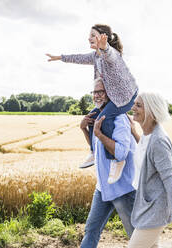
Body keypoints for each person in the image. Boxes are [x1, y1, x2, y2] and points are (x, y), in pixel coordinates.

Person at [46, 24, 138, 184]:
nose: (89, 38)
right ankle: (93, 150)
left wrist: (105, 47)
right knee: (91, 117)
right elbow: (79, 58)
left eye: (92, 35)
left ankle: (117, 159)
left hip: (126, 98)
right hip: (113, 97)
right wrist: (60, 57)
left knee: (103, 119)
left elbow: (110, 55)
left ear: (103, 38)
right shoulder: (95, 56)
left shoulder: (111, 54)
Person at [127, 92, 172, 248]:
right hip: (146, 207)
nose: (133, 108)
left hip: (154, 211)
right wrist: (134, 132)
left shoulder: (159, 141)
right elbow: (147, 155)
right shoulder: (147, 135)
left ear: (151, 111)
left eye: (138, 105)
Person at [79, 78, 137, 248]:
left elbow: (120, 153)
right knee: (91, 230)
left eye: (101, 92)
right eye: (94, 92)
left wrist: (99, 134)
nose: (96, 95)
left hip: (123, 189)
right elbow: (97, 150)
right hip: (103, 188)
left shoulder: (119, 119)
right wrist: (85, 129)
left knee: (136, 236)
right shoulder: (99, 117)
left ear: (111, 93)